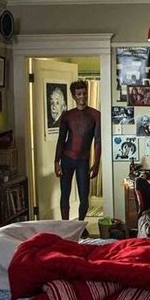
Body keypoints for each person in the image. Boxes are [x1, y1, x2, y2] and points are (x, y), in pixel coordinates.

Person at [54, 80, 101, 229]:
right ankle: (66, 226)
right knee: (65, 195)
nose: (83, 96)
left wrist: (97, 163)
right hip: (67, 159)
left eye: (84, 93)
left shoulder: (95, 115)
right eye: (79, 94)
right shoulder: (67, 115)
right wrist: (56, 161)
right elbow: (61, 139)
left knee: (84, 198)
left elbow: (97, 141)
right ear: (74, 96)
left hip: (83, 161)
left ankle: (80, 226)